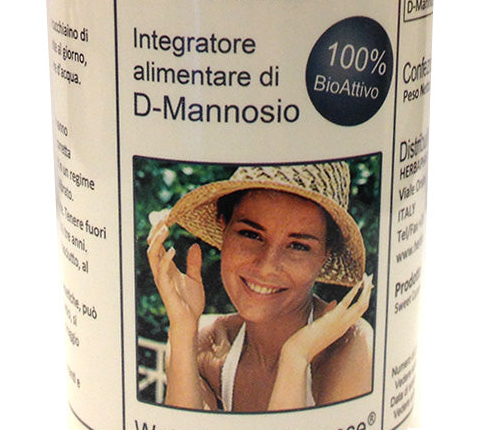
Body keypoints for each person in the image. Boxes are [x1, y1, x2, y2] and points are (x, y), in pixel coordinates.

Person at [146, 162, 374, 412]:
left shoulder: (350, 344)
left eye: (298, 246)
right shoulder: (203, 342)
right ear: (224, 227)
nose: (266, 267)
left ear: (325, 255)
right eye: (252, 234)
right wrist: (182, 327)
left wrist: (295, 357)